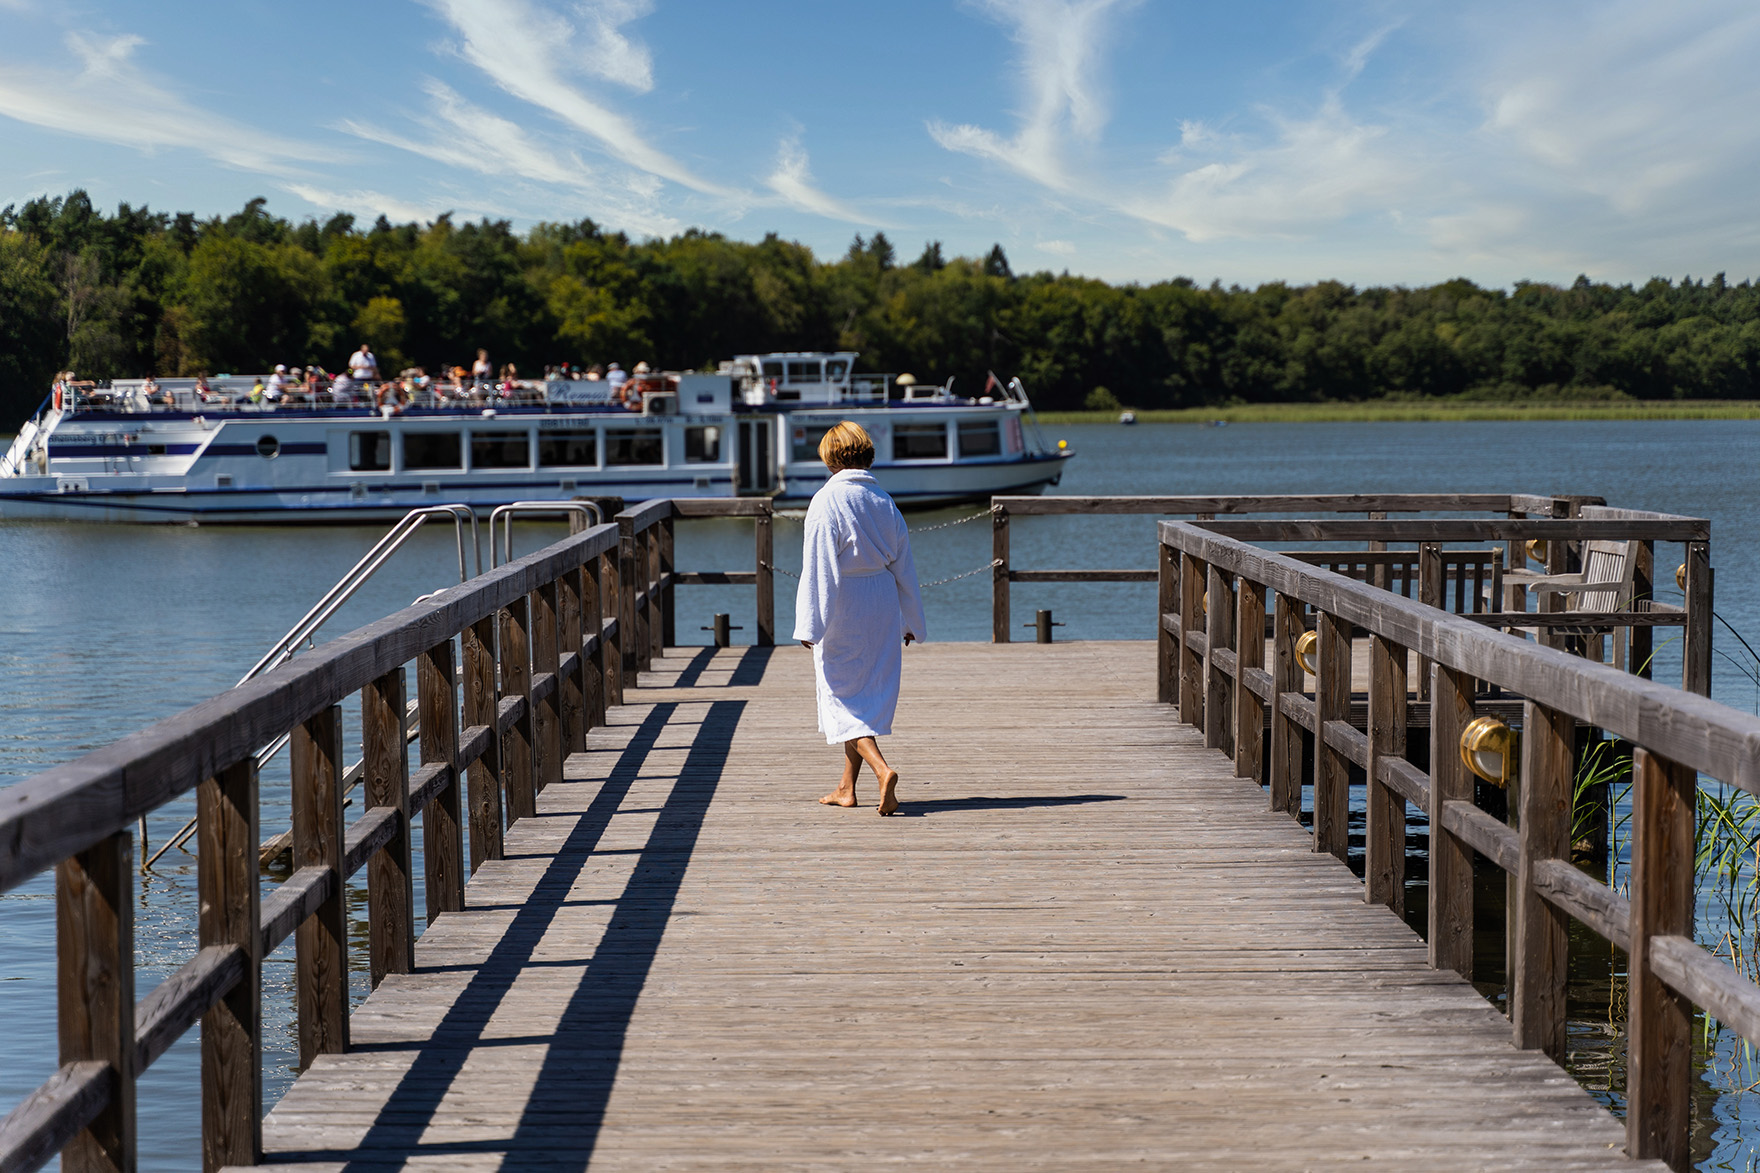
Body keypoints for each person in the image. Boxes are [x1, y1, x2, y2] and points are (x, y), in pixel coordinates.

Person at [793, 421, 926, 816]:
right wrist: (910, 620)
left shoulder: (827, 500)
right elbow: (905, 566)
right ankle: (846, 788)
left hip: (844, 602)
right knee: (863, 692)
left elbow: (819, 568)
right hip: (882, 601)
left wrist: (810, 624)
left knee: (841, 695)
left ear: (829, 458)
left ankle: (882, 770)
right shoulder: (883, 500)